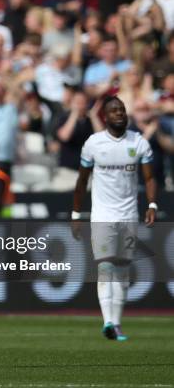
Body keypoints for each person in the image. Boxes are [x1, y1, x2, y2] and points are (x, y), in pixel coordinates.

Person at [72, 95, 157, 342]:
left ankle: (116, 324)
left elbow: (150, 178)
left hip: (129, 215)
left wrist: (152, 204)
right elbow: (82, 180)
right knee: (106, 266)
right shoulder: (94, 143)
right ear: (105, 116)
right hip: (102, 215)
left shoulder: (139, 142)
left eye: (122, 109)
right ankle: (108, 320)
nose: (120, 113)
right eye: (114, 110)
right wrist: (76, 214)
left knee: (122, 269)